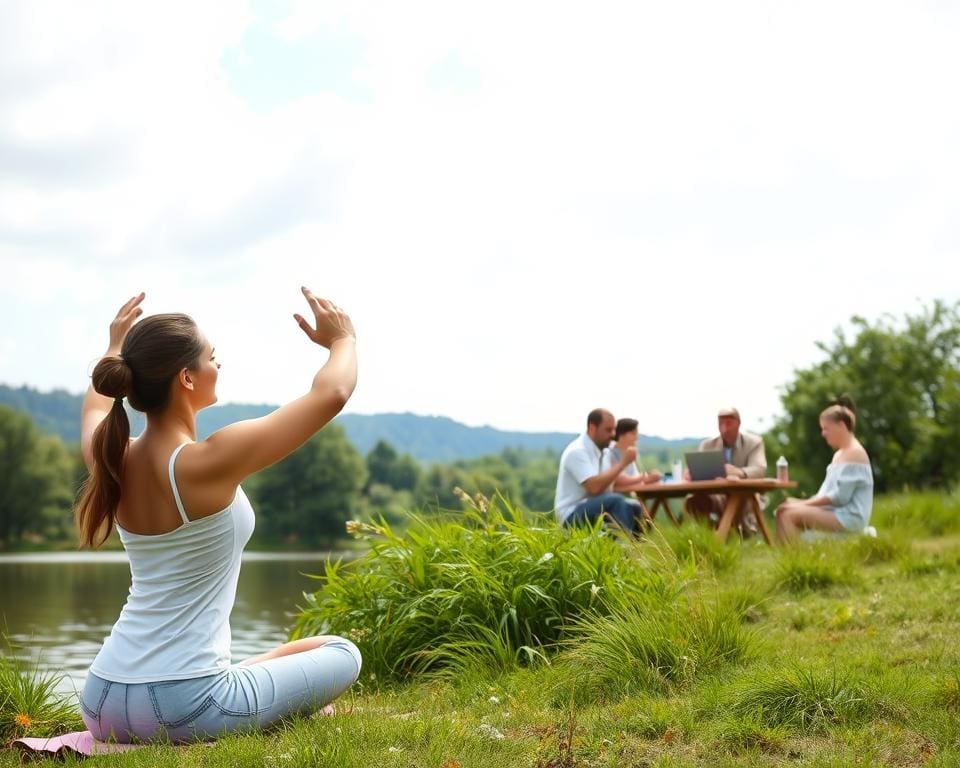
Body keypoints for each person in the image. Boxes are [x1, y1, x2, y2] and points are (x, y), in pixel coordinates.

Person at [76, 289, 361, 744]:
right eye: (212, 357)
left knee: (303, 651)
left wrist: (114, 346)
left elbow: (94, 407)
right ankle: (230, 688)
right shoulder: (207, 460)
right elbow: (333, 392)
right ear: (187, 378)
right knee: (343, 652)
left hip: (102, 698)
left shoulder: (112, 458)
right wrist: (342, 339)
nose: (218, 365)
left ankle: (228, 679)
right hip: (183, 707)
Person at [775, 397, 874, 543]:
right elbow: (827, 494)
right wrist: (800, 501)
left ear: (840, 425)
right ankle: (793, 556)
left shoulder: (854, 453)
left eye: (826, 428)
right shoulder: (840, 454)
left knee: (788, 514)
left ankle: (793, 559)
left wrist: (801, 504)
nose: (823, 433)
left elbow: (839, 498)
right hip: (836, 513)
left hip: (849, 517)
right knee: (783, 510)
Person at [554, 409, 645, 535]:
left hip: (596, 506)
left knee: (634, 507)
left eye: (614, 429)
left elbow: (612, 482)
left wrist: (643, 478)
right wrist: (623, 463)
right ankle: (624, 549)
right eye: (608, 430)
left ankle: (635, 551)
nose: (613, 434)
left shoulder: (604, 452)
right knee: (617, 501)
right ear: (592, 428)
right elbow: (594, 487)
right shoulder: (577, 451)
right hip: (571, 513)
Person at [684, 407, 767, 535]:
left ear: (738, 424)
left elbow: (760, 469)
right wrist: (692, 473)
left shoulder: (754, 443)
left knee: (736, 498)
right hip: (714, 494)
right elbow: (699, 471)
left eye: (728, 423)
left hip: (743, 495)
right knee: (694, 500)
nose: (724, 428)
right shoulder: (707, 445)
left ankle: (728, 534)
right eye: (721, 424)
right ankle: (707, 537)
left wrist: (739, 472)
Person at [601, 418, 663, 491]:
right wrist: (643, 477)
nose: (637, 437)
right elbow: (618, 479)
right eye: (633, 433)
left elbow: (633, 478)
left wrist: (650, 477)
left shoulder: (629, 453)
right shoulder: (610, 453)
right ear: (621, 434)